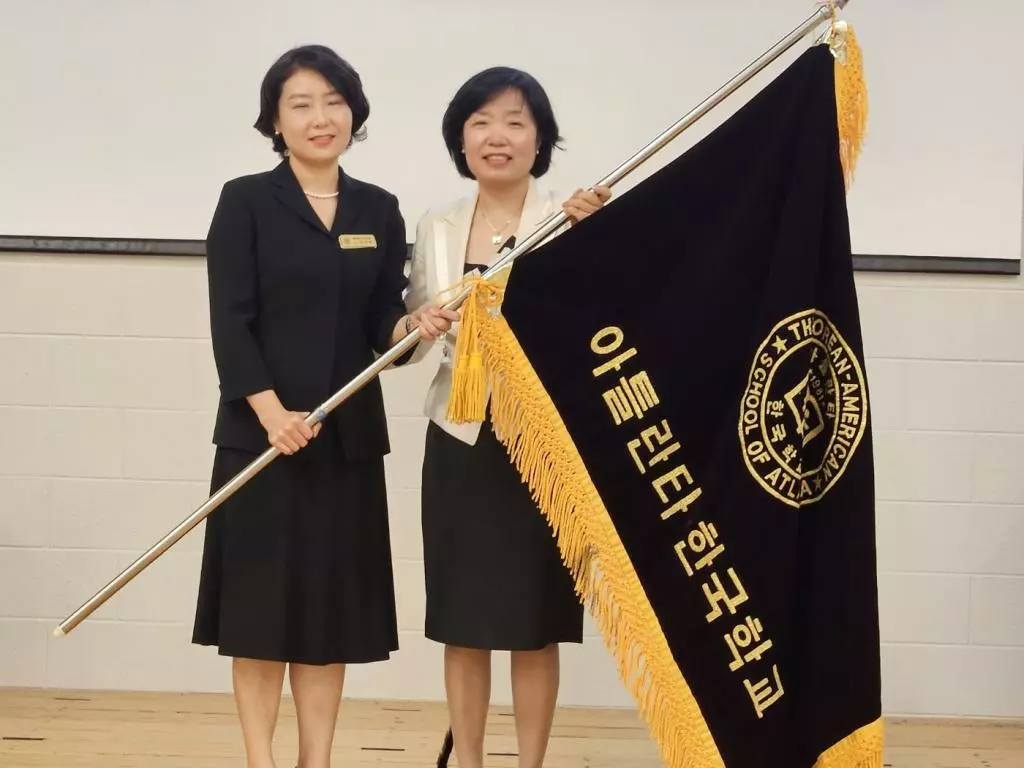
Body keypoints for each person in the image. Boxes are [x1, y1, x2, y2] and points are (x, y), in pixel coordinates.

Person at [191, 44, 456, 768]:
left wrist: (412, 326)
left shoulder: (378, 208)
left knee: (324, 619)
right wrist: (272, 413)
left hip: (344, 443)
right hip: (262, 439)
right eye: (300, 104)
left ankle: (317, 759)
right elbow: (231, 321)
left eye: (333, 102)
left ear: (354, 113)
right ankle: (261, 759)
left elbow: (382, 332)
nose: (320, 117)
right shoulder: (245, 199)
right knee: (259, 620)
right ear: (274, 122)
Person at [404, 66, 611, 768]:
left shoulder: (571, 218)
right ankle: (467, 761)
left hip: (544, 440)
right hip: (459, 437)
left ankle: (531, 764)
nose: (498, 136)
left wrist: (599, 242)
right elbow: (406, 345)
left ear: (540, 139)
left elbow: (605, 321)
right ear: (461, 140)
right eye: (481, 122)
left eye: (516, 121)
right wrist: (414, 325)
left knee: (535, 624)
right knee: (463, 624)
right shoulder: (435, 226)